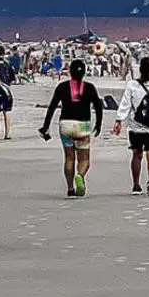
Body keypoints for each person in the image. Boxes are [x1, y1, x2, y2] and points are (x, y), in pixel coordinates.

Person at [40, 59, 104, 196]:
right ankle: (80, 175)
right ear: (84, 73)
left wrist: (45, 127)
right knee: (84, 159)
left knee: (69, 158)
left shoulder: (62, 87)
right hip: (83, 126)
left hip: (66, 125)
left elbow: (52, 107)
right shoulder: (90, 87)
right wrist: (99, 124)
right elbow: (98, 107)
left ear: (69, 72)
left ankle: (70, 188)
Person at [115, 55, 149, 196]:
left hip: (135, 126)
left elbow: (125, 104)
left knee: (136, 153)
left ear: (140, 69)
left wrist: (119, 120)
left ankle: (136, 184)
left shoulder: (132, 85)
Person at [0, 45, 15, 139]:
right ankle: (7, 134)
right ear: (3, 54)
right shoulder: (8, 64)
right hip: (7, 91)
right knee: (7, 111)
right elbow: (12, 77)